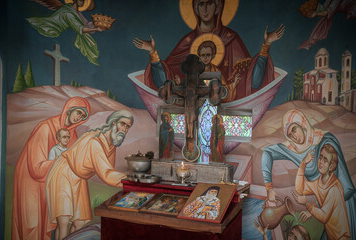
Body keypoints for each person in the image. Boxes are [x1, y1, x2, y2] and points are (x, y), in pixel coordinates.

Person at [133, 0, 285, 101]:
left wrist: (266, 45)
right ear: (195, 8)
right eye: (201, 4)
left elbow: (254, 82)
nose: (205, 9)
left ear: (218, 6)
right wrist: (153, 53)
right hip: (191, 112)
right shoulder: (186, 43)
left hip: (222, 113)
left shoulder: (231, 39)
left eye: (210, 3)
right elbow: (164, 82)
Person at [261, 109, 356, 239]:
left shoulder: (325, 141)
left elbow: (345, 188)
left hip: (340, 206)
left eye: (294, 129)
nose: (294, 137)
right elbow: (267, 152)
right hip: (322, 203)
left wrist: (312, 206)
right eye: (289, 134)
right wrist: (269, 187)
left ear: (302, 124)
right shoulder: (291, 148)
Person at [46, 110, 133, 240]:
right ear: (113, 123)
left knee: (79, 222)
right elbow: (106, 174)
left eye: (128, 127)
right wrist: (132, 179)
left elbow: (108, 169)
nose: (125, 129)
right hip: (64, 172)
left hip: (79, 177)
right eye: (123, 124)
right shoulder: (95, 142)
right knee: (63, 221)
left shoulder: (110, 145)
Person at [12, 97, 91, 240]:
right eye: (78, 112)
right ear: (69, 109)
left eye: (82, 116)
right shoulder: (45, 127)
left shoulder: (73, 135)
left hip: (51, 184)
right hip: (31, 183)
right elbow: (36, 168)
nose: (78, 117)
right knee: (33, 225)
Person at [294, 144, 351, 239]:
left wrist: (307, 205)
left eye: (325, 160)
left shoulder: (334, 188)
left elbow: (324, 216)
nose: (321, 162)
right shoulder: (318, 183)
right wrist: (303, 164)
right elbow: (299, 189)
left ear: (331, 166)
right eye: (320, 158)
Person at [27, 0, 103, 65]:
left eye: (83, 0)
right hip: (50, 29)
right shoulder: (69, 13)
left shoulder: (75, 12)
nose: (82, 2)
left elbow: (86, 25)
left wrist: (96, 24)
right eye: (81, 0)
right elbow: (81, 29)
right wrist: (96, 29)